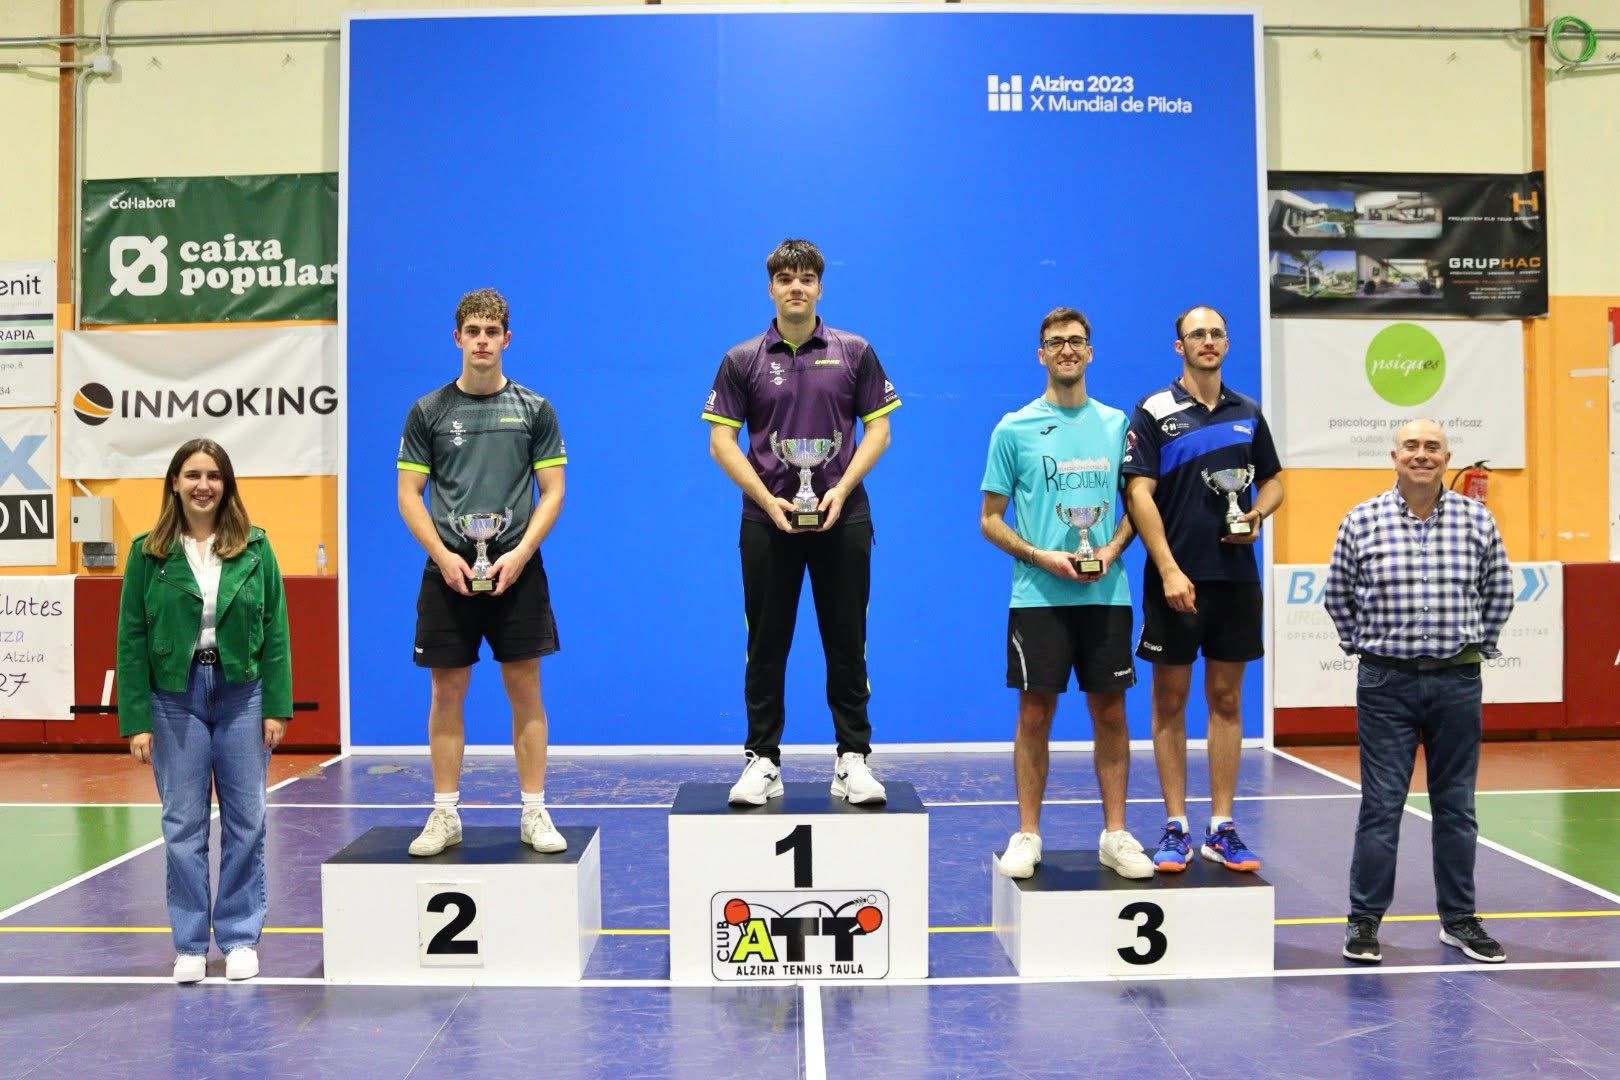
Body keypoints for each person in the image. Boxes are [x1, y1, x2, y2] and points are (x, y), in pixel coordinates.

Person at [703, 238, 901, 806]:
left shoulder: (854, 351)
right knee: (766, 644)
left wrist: (839, 489)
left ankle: (853, 758)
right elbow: (721, 442)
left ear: (820, 287)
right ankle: (762, 760)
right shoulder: (742, 359)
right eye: (786, 278)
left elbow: (879, 430)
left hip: (843, 515)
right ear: (771, 288)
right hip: (767, 520)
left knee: (848, 640)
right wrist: (768, 501)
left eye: (806, 278)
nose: (796, 287)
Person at [1324, 419, 1514, 964]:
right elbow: (1338, 595)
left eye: (1433, 447)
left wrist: (1476, 647)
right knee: (1381, 806)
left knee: (1456, 807)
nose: (1422, 454)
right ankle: (1363, 922)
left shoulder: (1477, 519)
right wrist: (1366, 647)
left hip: (1457, 682)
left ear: (1446, 458)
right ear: (1395, 456)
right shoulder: (1362, 519)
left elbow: (1499, 590)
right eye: (1412, 446)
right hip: (1386, 684)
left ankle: (1459, 920)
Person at [980, 307, 1153, 880]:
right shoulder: (1013, 428)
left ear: (1090, 352)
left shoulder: (1118, 424)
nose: (1067, 350)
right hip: (1038, 597)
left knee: (1111, 711)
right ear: (1042, 354)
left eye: (1076, 341)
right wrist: (1041, 556)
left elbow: (1138, 504)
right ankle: (1028, 834)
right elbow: (990, 519)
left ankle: (1115, 834)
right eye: (1056, 342)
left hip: (1106, 596)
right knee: (1035, 714)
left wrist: (1112, 550)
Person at [397, 287, 568, 857]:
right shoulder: (428, 412)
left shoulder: (535, 409)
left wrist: (519, 555)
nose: (482, 341)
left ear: (506, 340)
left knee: (525, 686)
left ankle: (534, 810)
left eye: (492, 332)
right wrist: (444, 556)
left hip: (519, 570)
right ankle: (445, 813)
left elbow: (553, 491)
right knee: (446, 690)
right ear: (458, 338)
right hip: (448, 569)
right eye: (473, 332)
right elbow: (409, 494)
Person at [118, 438, 292, 984]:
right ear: (174, 483)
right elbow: (131, 637)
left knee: (248, 821)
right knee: (182, 826)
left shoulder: (257, 547)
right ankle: (190, 945)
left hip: (243, 693)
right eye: (192, 475)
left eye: (213, 476)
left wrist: (276, 707)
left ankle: (239, 938)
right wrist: (136, 719)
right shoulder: (146, 553)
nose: (203, 485)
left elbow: (277, 631)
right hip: (174, 698)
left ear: (226, 484)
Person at [1123, 304, 1284, 873]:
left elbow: (1274, 479)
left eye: (1216, 333)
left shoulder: (1248, 412)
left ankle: (1222, 827)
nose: (1208, 341)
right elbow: (1137, 494)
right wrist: (1168, 568)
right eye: (1197, 334)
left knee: (1227, 700)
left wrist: (1258, 513)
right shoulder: (1153, 411)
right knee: (1169, 701)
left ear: (1226, 343)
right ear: (1180, 346)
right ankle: (1176, 826)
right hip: (1175, 580)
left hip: (1236, 579)